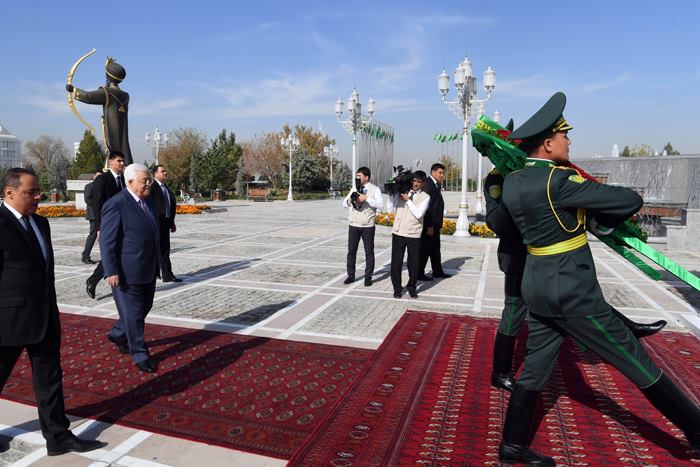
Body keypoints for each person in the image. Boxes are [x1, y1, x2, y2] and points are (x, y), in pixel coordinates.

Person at [496, 92, 699, 465]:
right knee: (636, 359)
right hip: (573, 292)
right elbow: (627, 201)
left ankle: (511, 446)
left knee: (536, 365)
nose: (570, 142)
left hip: (537, 286)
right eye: (565, 136)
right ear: (548, 142)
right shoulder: (560, 181)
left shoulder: (512, 182)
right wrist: (598, 215)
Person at [483, 120, 666, 394]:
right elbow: (496, 222)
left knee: (573, 301)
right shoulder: (500, 179)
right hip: (518, 254)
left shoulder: (533, 174)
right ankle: (500, 372)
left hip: (547, 261)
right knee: (513, 313)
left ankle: (627, 326)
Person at [0, 168, 106, 456]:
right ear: (9, 192)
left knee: (49, 381)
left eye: (38, 191)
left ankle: (58, 437)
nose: (38, 196)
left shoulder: (41, 223)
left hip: (44, 317)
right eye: (30, 192)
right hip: (7, 321)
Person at [100, 163, 160, 373]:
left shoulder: (148, 201)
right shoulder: (116, 204)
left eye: (149, 180)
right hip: (125, 272)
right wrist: (111, 270)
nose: (149, 184)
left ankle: (118, 332)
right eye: (145, 180)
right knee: (134, 315)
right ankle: (140, 354)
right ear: (130, 182)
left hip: (148, 268)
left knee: (144, 308)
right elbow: (107, 241)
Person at [65, 58, 133, 165]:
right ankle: (124, 163)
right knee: (122, 145)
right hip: (122, 131)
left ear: (108, 77)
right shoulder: (125, 95)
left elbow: (89, 96)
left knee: (113, 147)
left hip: (112, 129)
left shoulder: (107, 93)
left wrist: (73, 89)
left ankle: (114, 164)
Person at [85, 151, 126, 299]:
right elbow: (97, 205)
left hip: (123, 224)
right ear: (110, 162)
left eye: (123, 161)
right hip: (107, 225)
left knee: (119, 253)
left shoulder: (124, 180)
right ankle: (93, 280)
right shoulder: (103, 180)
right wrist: (99, 228)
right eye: (119, 161)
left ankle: (96, 280)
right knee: (112, 254)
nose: (122, 164)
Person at [387, 170, 430, 299]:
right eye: (414, 181)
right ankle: (397, 289)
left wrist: (408, 200)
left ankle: (412, 287)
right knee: (396, 263)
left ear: (423, 184)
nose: (415, 184)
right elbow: (390, 209)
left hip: (414, 234)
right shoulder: (402, 192)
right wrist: (391, 195)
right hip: (398, 231)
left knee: (414, 264)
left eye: (419, 182)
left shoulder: (426, 197)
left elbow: (418, 214)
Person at [342, 167, 384, 286]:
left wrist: (367, 199)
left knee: (369, 252)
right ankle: (351, 275)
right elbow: (344, 203)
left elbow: (380, 205)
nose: (357, 178)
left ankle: (368, 277)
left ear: (366, 177)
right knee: (351, 251)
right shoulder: (354, 188)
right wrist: (351, 201)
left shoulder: (375, 189)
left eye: (359, 176)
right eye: (357, 176)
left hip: (368, 226)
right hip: (353, 225)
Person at [418, 163, 451, 281]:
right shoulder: (428, 185)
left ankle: (437, 271)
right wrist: (429, 225)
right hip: (430, 224)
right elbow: (427, 207)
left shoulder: (435, 184)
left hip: (435, 224)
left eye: (443, 173)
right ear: (433, 172)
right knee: (425, 249)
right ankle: (419, 273)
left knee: (435, 249)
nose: (442, 175)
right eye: (440, 173)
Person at [152, 165, 182, 283]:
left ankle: (167, 275)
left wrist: (171, 222)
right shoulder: (152, 187)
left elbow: (170, 205)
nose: (165, 173)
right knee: (153, 250)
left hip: (165, 223)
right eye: (162, 171)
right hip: (155, 224)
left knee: (165, 250)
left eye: (166, 171)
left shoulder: (166, 188)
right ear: (155, 173)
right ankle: (153, 273)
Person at [81, 171, 102, 264]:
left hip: (103, 214)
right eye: (97, 176)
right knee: (93, 235)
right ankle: (85, 256)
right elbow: (87, 199)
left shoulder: (103, 187)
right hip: (93, 215)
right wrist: (98, 205)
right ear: (94, 177)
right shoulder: (89, 186)